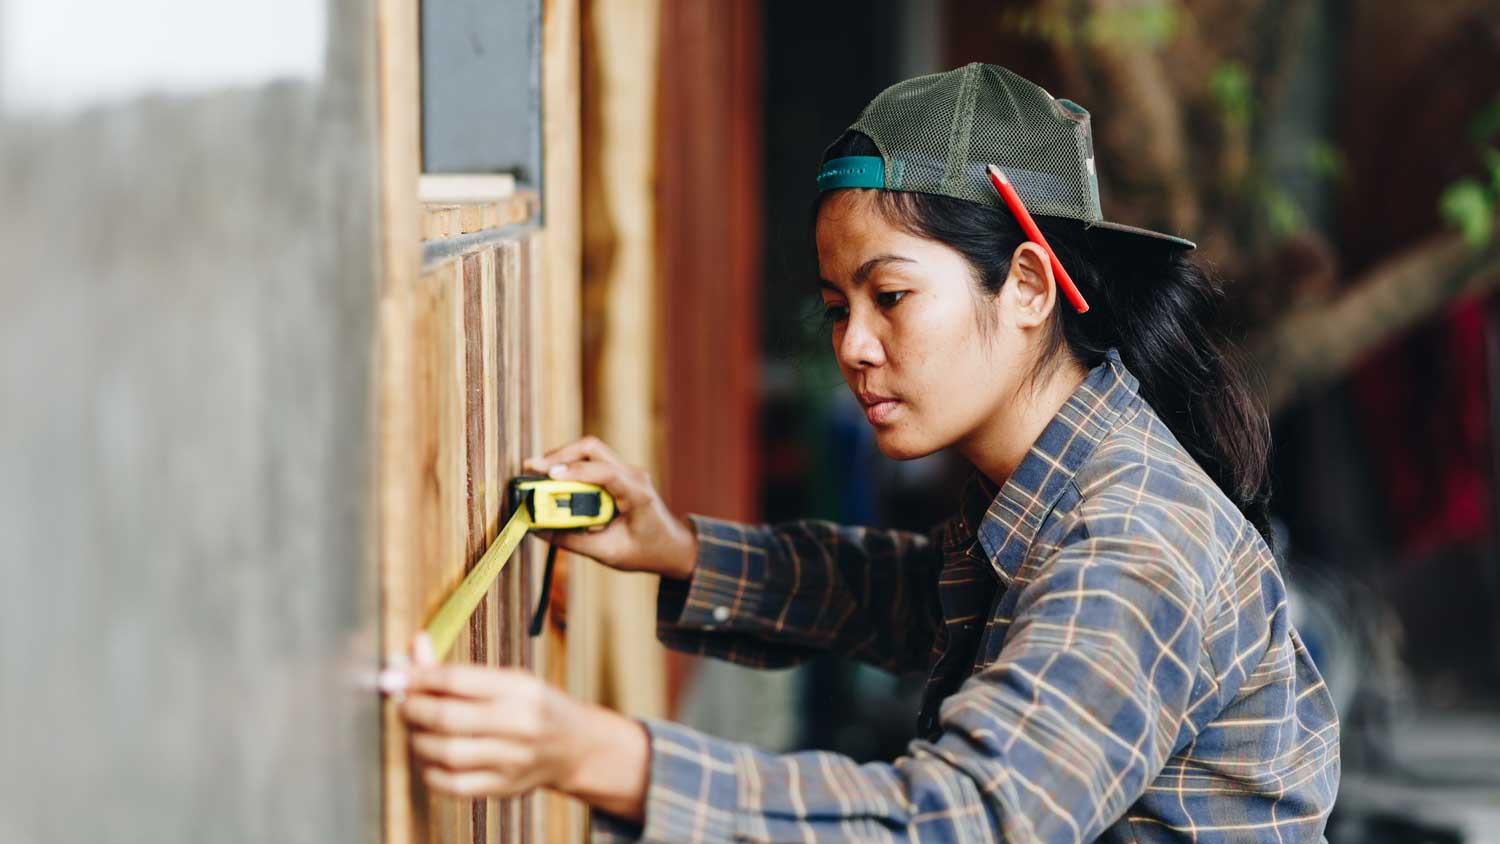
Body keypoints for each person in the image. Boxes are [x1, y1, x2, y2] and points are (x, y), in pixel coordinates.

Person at [380, 63, 1341, 842]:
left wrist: (607, 758)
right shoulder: (1057, 478)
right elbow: (921, 596)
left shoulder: (1131, 542)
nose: (853, 347)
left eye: (892, 297)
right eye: (838, 307)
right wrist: (677, 546)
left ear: (1030, 287)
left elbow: (971, 819)